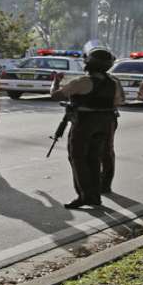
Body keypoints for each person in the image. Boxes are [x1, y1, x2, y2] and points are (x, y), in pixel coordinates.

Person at [50, 48, 123, 209]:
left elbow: (55, 95)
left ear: (89, 62)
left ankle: (85, 195)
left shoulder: (82, 81)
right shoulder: (113, 82)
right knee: (94, 158)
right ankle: (94, 195)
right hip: (106, 122)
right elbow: (118, 102)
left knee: (78, 158)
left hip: (85, 123)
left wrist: (55, 81)